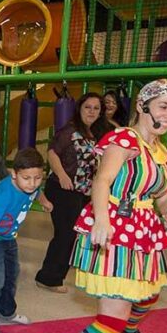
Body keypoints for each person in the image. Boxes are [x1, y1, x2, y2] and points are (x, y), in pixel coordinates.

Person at [46, 79, 167, 333]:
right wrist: (102, 220)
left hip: (142, 231)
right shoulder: (124, 139)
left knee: (150, 294)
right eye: (163, 107)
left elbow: (163, 193)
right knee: (111, 318)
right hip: (116, 230)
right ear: (143, 107)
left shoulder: (161, 151)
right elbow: (102, 181)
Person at [0, 148, 53, 333]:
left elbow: (37, 192)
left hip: (7, 235)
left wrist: (45, 202)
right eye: (27, 178)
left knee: (12, 273)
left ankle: (7, 311)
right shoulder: (3, 194)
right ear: (14, 174)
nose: (32, 183)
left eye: (37, 178)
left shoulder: (32, 187)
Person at [35, 93, 110, 293]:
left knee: (75, 234)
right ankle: (49, 277)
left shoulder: (99, 133)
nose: (92, 111)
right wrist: (61, 175)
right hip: (62, 189)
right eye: (88, 107)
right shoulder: (69, 130)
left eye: (96, 108)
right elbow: (52, 152)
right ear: (79, 109)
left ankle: (56, 274)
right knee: (66, 233)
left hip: (84, 191)